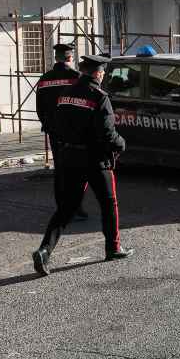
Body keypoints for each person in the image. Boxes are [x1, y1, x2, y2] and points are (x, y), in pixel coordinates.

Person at [33, 54, 133, 276]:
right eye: (103, 72)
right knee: (109, 203)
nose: (104, 75)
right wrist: (121, 144)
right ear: (97, 73)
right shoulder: (99, 96)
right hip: (95, 160)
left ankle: (44, 251)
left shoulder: (65, 94)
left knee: (67, 208)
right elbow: (107, 134)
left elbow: (55, 125)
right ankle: (113, 248)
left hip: (69, 157)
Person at [35, 43, 84, 220]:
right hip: (75, 132)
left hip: (54, 131)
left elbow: (39, 107)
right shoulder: (77, 77)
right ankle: (76, 207)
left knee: (60, 168)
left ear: (56, 58)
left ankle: (61, 206)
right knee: (76, 170)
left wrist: (48, 124)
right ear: (70, 58)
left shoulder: (44, 79)